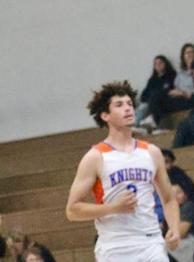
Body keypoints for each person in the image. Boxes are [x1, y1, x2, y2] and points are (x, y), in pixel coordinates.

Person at [65, 81, 180, 261]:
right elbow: (72, 210)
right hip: (115, 246)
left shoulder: (151, 152)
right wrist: (113, 208)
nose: (128, 109)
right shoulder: (95, 157)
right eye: (119, 105)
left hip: (150, 242)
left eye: (129, 104)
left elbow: (168, 198)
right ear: (105, 115)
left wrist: (174, 228)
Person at [136, 55, 177, 129]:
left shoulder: (172, 76)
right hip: (150, 102)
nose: (158, 65)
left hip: (165, 101)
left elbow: (170, 90)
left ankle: (140, 126)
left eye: (160, 63)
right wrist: (151, 97)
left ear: (165, 64)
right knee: (142, 106)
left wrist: (155, 95)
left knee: (147, 106)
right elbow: (143, 95)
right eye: (156, 64)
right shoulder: (152, 79)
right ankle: (136, 127)